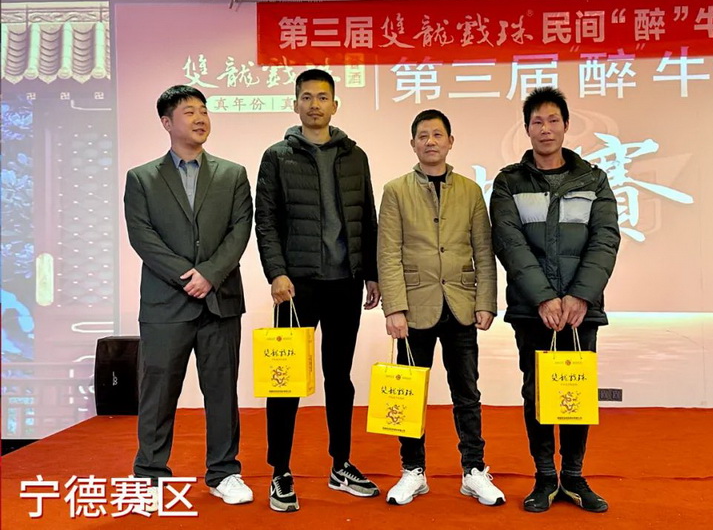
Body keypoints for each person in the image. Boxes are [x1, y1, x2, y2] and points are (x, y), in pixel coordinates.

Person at [255, 68, 381, 513]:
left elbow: (367, 217)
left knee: (339, 379)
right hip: (296, 286)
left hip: (345, 282)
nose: (314, 104)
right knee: (285, 380)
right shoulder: (277, 157)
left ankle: (340, 463)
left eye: (322, 97)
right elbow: (266, 221)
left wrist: (371, 273)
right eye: (306, 97)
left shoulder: (354, 156)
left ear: (334, 105)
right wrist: (276, 273)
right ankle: (280, 470)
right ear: (295, 105)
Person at [490, 86, 620, 514]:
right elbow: (510, 244)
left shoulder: (593, 180)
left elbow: (605, 239)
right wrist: (544, 298)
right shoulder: (509, 182)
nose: (545, 129)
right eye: (537, 122)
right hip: (532, 311)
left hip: (583, 311)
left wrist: (581, 296)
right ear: (526, 129)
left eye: (552, 120)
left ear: (566, 125)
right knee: (537, 391)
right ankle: (545, 476)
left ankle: (575, 476)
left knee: (576, 390)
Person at [124, 85, 254, 511]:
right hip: (166, 303)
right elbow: (143, 236)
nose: (200, 118)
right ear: (166, 122)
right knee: (158, 391)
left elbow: (240, 230)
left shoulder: (232, 174)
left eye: (203, 110)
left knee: (222, 391)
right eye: (188, 112)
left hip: (220, 301)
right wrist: (187, 278)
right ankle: (150, 473)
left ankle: (224, 472)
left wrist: (210, 274)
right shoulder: (142, 178)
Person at [378, 109, 505, 507]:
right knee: (410, 393)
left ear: (451, 141)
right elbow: (388, 252)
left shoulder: (470, 190)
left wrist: (485, 301)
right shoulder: (396, 190)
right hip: (414, 306)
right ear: (412, 143)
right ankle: (412, 471)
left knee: (467, 391)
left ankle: (474, 470)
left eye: (437, 135)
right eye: (423, 135)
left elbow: (483, 250)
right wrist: (393, 307)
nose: (430, 141)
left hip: (461, 304)